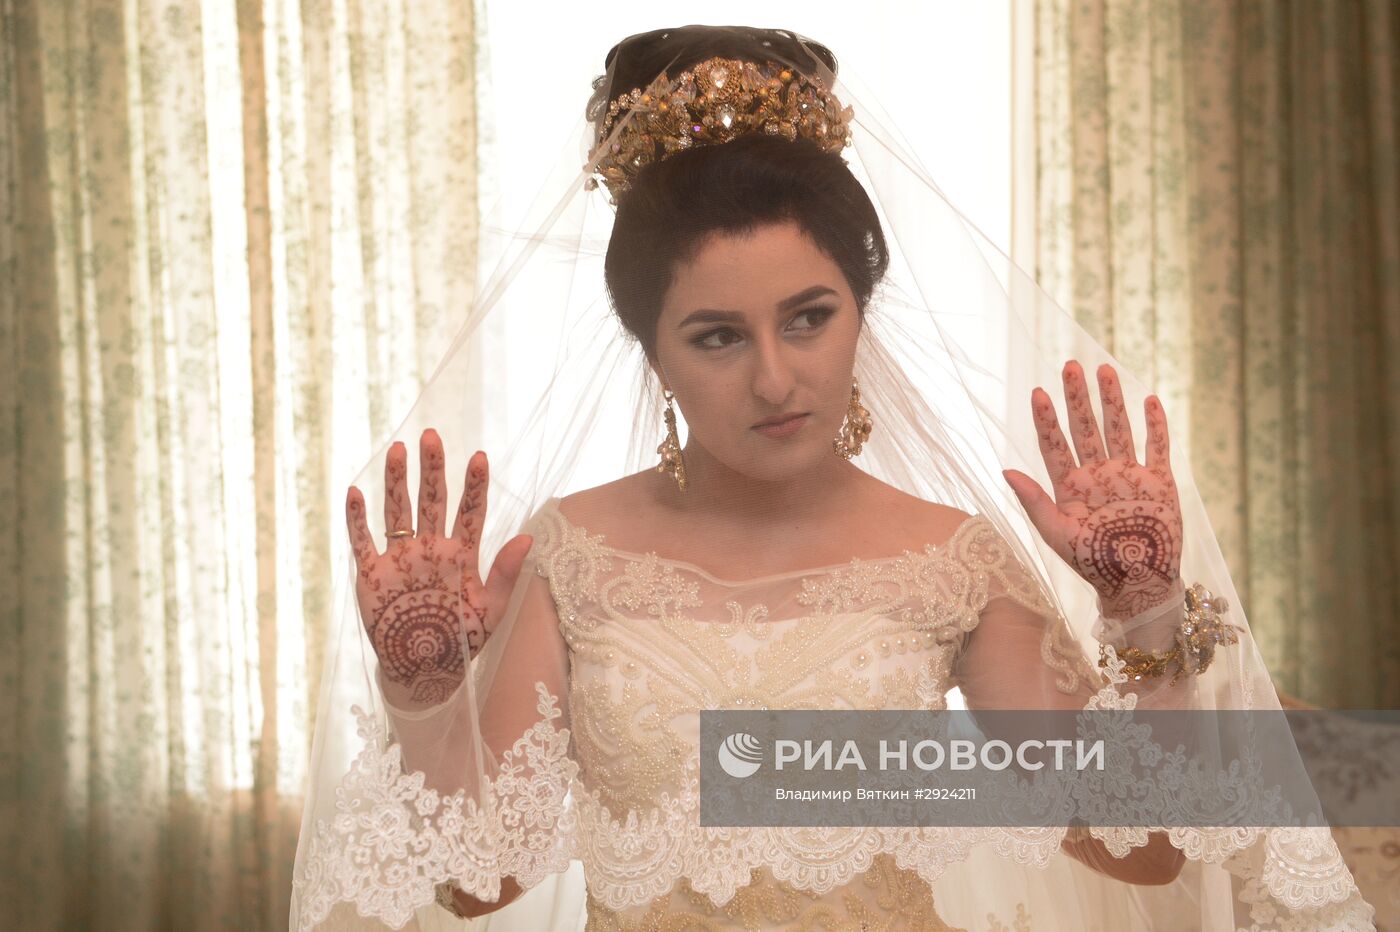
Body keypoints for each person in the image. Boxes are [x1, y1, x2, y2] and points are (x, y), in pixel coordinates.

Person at [290, 25, 1377, 931]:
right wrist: (424, 694)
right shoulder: (574, 554)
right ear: (653, 352)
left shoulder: (950, 559)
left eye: (808, 318)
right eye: (717, 336)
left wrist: (1142, 610)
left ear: (860, 309)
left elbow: (1137, 847)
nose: (775, 378)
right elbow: (480, 882)